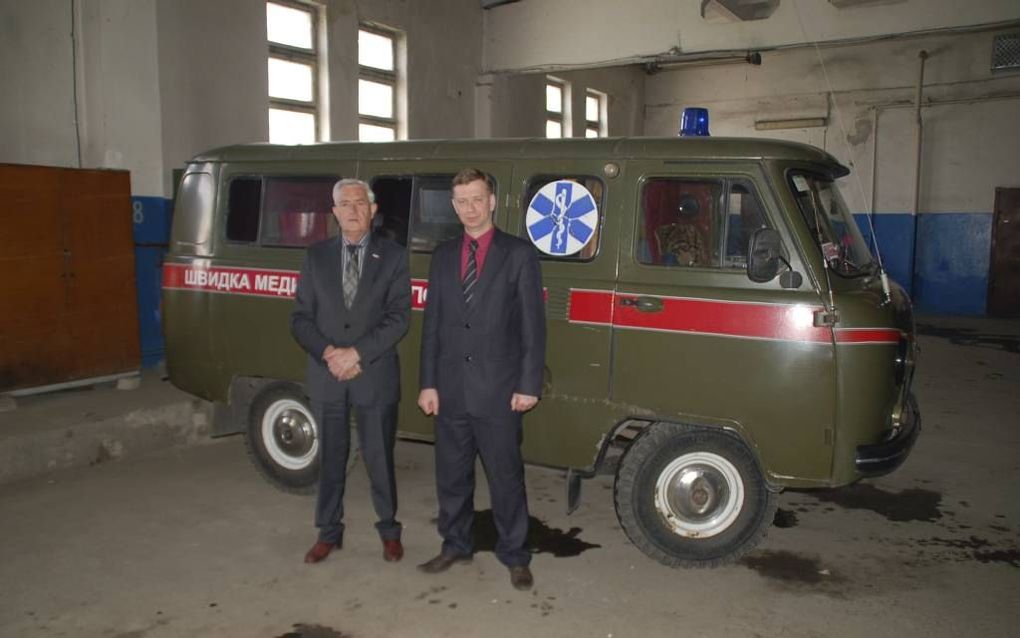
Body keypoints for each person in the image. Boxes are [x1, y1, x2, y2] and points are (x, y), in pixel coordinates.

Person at [416, 168, 546, 591]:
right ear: (453, 206)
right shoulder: (442, 255)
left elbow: (532, 326)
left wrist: (529, 384)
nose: (470, 208)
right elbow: (432, 325)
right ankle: (455, 544)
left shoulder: (519, 254)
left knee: (505, 477)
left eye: (477, 199)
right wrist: (428, 383)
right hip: (451, 389)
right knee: (451, 476)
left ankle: (515, 554)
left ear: (492, 201)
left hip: (500, 390)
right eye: (462, 201)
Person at [290, 178, 411, 564]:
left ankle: (389, 531)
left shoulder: (393, 257)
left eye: (361, 202)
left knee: (379, 456)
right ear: (335, 213)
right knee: (331, 458)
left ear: (373, 211)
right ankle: (328, 532)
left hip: (372, 374)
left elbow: (398, 318)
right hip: (328, 376)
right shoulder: (315, 257)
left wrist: (355, 353)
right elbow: (300, 318)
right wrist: (330, 353)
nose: (354, 209)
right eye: (346, 204)